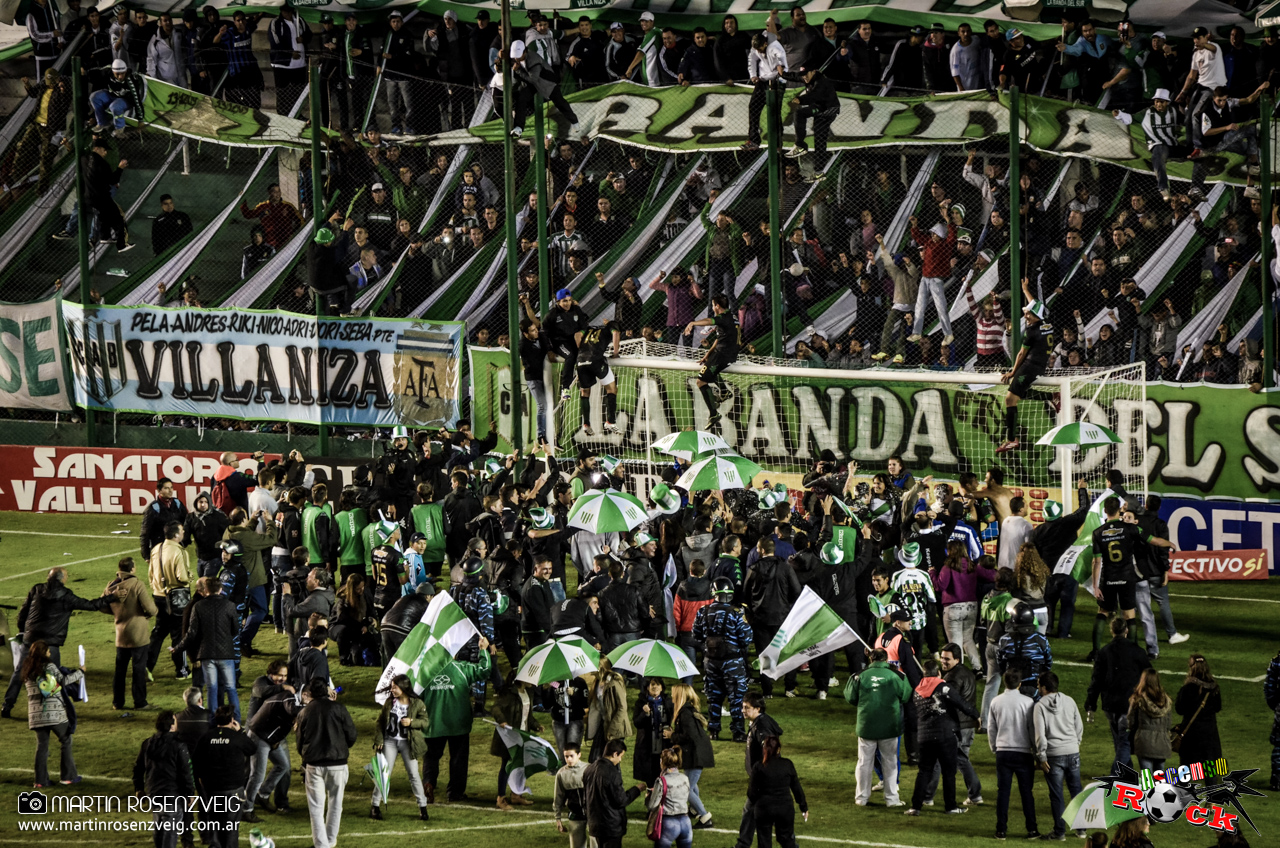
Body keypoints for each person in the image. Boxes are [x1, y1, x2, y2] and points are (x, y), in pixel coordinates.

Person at [3, 567, 114, 718]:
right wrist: (111, 597)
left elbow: (23, 612)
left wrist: (24, 631)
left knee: (20, 672)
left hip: (31, 639)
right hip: (50, 643)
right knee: (54, 677)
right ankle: (56, 707)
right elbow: (91, 605)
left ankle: (7, 706)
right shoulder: (66, 596)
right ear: (62, 579)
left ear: (48, 577)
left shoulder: (37, 589)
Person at [1089, 496, 1176, 650]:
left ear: (1105, 511)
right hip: (1127, 577)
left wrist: (1095, 586)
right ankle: (1133, 649)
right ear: (1119, 510)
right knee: (1129, 615)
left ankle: (1095, 651)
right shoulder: (1131, 528)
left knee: (1103, 612)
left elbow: (1096, 562)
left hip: (1108, 577)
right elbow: (1154, 541)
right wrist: (1170, 544)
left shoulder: (1097, 533)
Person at [904, 658, 980, 817]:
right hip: (945, 736)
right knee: (948, 772)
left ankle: (915, 807)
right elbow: (960, 703)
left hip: (924, 737)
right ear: (938, 673)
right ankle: (950, 806)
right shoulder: (943, 687)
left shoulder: (917, 689)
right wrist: (976, 716)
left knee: (924, 771)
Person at [422, 639, 491, 803]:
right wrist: (484, 651)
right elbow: (485, 669)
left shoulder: (425, 671)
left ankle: (428, 784)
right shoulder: (462, 669)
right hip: (458, 724)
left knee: (431, 757)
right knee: (458, 759)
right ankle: (455, 793)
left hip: (433, 724)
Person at [296, 676, 358, 848]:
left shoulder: (305, 712)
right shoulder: (339, 708)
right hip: (338, 763)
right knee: (336, 804)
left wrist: (305, 755)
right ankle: (329, 842)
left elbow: (299, 741)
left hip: (314, 764)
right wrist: (342, 749)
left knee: (316, 807)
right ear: (327, 690)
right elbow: (352, 734)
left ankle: (322, 844)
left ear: (310, 693)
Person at [846, 647, 911, 807]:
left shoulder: (859, 676)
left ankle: (861, 798)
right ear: (886, 659)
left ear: (871, 659)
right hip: (889, 726)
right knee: (890, 762)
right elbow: (905, 695)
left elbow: (850, 697)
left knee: (863, 762)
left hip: (866, 725)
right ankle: (891, 799)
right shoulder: (898, 675)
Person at [920, 644, 982, 808]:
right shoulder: (967, 673)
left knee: (939, 762)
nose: (943, 661)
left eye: (947, 659)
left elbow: (950, 700)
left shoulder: (951, 679)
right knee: (961, 760)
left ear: (957, 659)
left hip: (957, 726)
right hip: (967, 725)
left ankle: (927, 797)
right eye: (942, 657)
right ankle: (975, 794)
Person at [172, 575, 241, 721]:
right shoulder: (229, 605)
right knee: (231, 688)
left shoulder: (198, 606)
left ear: (206, 589)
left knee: (211, 689)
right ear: (221, 589)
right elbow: (236, 630)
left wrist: (178, 648)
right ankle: (236, 720)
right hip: (226, 654)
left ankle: (212, 722)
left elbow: (191, 633)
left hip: (207, 654)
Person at [1086, 616, 1151, 774]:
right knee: (1124, 743)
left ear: (1111, 631)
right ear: (1126, 630)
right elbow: (1149, 676)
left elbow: (1096, 681)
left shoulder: (1104, 652)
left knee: (1120, 742)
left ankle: (1124, 775)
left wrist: (1090, 705)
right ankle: (1117, 774)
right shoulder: (1137, 652)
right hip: (1129, 705)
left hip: (1110, 705)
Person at [692, 577, 752, 742]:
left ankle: (713, 731)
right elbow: (746, 637)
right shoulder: (736, 613)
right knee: (736, 697)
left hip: (711, 661)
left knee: (714, 697)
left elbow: (696, 635)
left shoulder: (703, 611)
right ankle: (738, 732)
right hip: (732, 661)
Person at [743, 537, 801, 698]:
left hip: (760, 618)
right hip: (782, 616)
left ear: (761, 550)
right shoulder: (785, 567)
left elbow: (745, 594)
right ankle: (789, 687)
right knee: (787, 651)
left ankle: (767, 690)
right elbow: (796, 591)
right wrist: (786, 605)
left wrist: (752, 611)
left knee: (764, 653)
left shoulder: (754, 569)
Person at [997, 280, 1050, 453]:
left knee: (1009, 400)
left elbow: (1021, 354)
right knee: (1020, 394)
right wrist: (1026, 290)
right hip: (1039, 366)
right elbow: (1036, 305)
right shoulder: (1046, 322)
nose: (1026, 316)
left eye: (1028, 315)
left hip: (1029, 367)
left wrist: (1013, 371)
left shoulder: (1031, 331)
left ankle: (1012, 439)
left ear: (1036, 317)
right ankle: (1052, 397)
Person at [193, 705, 257, 848]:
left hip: (212, 789)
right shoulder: (237, 737)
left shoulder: (206, 737)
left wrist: (201, 783)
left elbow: (196, 761)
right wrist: (240, 731)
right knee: (231, 827)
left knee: (215, 824)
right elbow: (252, 749)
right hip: (234, 789)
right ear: (232, 719)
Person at [987, 669, 1040, 840]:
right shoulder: (1028, 702)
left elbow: (991, 728)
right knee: (1026, 792)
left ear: (1004, 683)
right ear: (1020, 683)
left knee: (1003, 792)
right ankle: (1032, 829)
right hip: (1023, 752)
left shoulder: (996, 701)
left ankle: (1001, 830)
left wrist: (994, 747)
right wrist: (1035, 749)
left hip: (1003, 752)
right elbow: (1032, 729)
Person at [244, 660, 300, 819]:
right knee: (254, 773)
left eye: (284, 676)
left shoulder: (287, 687)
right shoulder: (261, 682)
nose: (282, 679)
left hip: (275, 734)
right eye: (279, 675)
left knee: (284, 767)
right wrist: (282, 687)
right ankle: (246, 808)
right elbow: (261, 692)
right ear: (270, 673)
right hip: (258, 733)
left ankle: (267, 797)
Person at [1032, 671, 1084, 842]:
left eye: (1039, 685)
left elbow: (1040, 734)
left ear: (1045, 687)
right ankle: (1081, 829)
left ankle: (1059, 832)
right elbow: (1079, 725)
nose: (1038, 688)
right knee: (1076, 791)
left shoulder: (1040, 706)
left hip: (1054, 755)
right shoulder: (1069, 700)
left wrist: (1041, 756)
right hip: (1072, 751)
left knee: (1057, 794)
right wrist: (1075, 742)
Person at [133, 710, 197, 848]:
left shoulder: (148, 743)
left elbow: (138, 768)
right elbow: (186, 772)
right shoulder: (179, 746)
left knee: (159, 827)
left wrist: (138, 788)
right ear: (172, 725)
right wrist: (190, 793)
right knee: (170, 832)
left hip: (154, 793)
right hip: (172, 796)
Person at [23, 640, 83, 787]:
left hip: (35, 715)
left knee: (42, 746)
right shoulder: (49, 666)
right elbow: (63, 681)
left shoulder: (27, 670)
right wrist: (80, 673)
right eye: (48, 651)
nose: (50, 653)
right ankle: (67, 777)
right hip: (54, 713)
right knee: (66, 740)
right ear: (44, 653)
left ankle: (40, 781)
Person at [371, 673, 430, 821]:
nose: (392, 690)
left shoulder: (417, 703)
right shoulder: (390, 702)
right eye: (391, 687)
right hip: (390, 741)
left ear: (403, 688)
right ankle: (374, 806)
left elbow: (425, 723)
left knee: (414, 775)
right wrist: (379, 739)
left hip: (408, 743)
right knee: (384, 774)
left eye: (395, 687)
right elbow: (380, 722)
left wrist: (412, 722)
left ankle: (423, 807)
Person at [105, 556, 158, 711]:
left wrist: (117, 613)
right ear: (132, 569)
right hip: (138, 635)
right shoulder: (136, 584)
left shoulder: (111, 586)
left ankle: (117, 702)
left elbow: (102, 605)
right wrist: (150, 612)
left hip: (120, 635)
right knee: (138, 669)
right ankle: (140, 702)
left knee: (120, 671)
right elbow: (151, 609)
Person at [733, 693, 783, 848]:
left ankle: (742, 845)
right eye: (743, 707)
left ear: (757, 708)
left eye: (747, 708)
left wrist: (763, 773)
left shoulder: (762, 727)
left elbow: (769, 750)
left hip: (762, 780)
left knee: (751, 812)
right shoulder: (759, 722)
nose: (743, 710)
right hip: (762, 778)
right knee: (757, 813)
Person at [684, 294, 741, 428]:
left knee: (700, 381)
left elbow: (709, 321)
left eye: (713, 305)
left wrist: (693, 323)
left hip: (723, 354)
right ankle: (724, 391)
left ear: (717, 306)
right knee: (708, 366)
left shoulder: (722, 318)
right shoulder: (732, 317)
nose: (712, 308)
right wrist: (708, 354)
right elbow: (720, 338)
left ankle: (713, 413)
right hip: (726, 353)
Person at [148, 521, 193, 681]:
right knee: (178, 634)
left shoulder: (156, 549)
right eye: (181, 531)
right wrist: (190, 578)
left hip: (158, 596)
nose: (183, 533)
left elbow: (150, 574)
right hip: (176, 599)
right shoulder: (180, 552)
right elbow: (182, 577)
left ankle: (147, 668)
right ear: (176, 535)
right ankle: (181, 670)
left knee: (158, 632)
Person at [667, 682, 715, 828]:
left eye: (674, 693)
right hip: (695, 754)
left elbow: (689, 736)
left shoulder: (685, 713)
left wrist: (672, 735)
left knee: (685, 788)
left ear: (679, 695)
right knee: (691, 786)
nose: (671, 697)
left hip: (695, 755)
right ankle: (694, 810)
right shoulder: (688, 711)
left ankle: (705, 816)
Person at [748, 735, 808, 848]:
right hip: (784, 809)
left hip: (764, 809)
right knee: (786, 840)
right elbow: (796, 788)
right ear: (779, 749)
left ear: (764, 749)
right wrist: (803, 807)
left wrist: (757, 804)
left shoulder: (759, 766)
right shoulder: (787, 764)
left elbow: (752, 793)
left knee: (764, 843)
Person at [583, 738, 645, 848]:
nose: (620, 760)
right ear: (615, 754)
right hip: (610, 826)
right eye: (621, 756)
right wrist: (637, 789)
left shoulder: (589, 769)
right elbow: (621, 800)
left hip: (595, 824)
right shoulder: (612, 772)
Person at [786, 66, 840, 178]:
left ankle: (801, 146)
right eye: (803, 75)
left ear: (813, 71)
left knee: (801, 114)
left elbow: (814, 95)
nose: (804, 77)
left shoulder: (821, 82)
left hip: (828, 109)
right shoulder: (807, 77)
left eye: (806, 74)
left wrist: (800, 100)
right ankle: (818, 171)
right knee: (819, 138)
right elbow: (795, 76)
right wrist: (782, 74)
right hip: (819, 109)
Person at [1174, 654, 1222, 768]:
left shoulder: (1188, 688)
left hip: (1191, 732)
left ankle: (1183, 786)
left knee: (1186, 766)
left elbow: (1179, 709)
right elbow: (1218, 707)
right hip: (1209, 732)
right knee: (1209, 766)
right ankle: (1211, 786)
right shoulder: (1214, 688)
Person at [585, 656, 632, 762]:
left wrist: (612, 729)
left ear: (600, 667)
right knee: (595, 759)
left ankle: (615, 779)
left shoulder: (614, 683)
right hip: (603, 724)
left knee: (612, 761)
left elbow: (622, 707)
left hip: (614, 726)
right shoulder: (597, 682)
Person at [1127, 668, 1172, 773]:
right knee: (1159, 777)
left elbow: (1131, 721)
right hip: (1162, 742)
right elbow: (1168, 724)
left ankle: (1148, 790)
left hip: (1144, 741)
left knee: (1147, 776)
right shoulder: (1166, 700)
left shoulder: (1138, 699)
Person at [649, 746, 694, 848]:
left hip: (669, 823)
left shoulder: (661, 781)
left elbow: (652, 806)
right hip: (686, 822)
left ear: (662, 762)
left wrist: (649, 797)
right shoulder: (685, 778)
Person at [633, 677, 672, 786]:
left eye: (657, 684)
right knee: (650, 778)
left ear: (662, 688)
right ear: (647, 688)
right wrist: (644, 714)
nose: (655, 687)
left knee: (665, 777)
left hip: (663, 743)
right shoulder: (641, 703)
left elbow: (672, 718)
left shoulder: (667, 702)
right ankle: (651, 799)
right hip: (647, 745)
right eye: (652, 684)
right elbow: (637, 723)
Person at [554, 742, 589, 848]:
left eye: (571, 756)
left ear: (579, 755)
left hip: (592, 815)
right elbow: (558, 796)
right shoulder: (561, 774)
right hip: (575, 815)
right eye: (566, 756)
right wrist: (558, 818)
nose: (569, 759)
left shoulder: (589, 769)